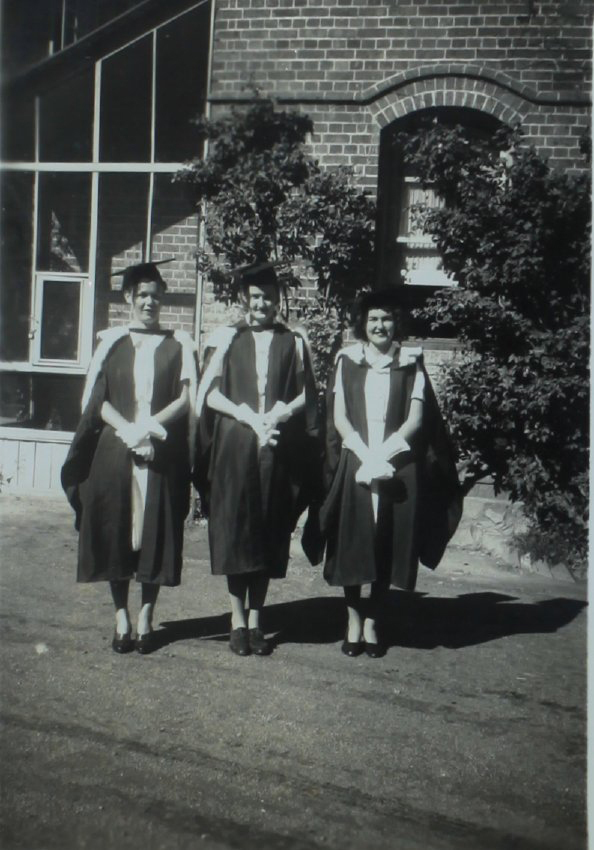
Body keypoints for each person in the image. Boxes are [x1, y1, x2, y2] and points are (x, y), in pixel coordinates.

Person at [61, 260, 197, 654]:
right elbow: (97, 401)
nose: (149, 302)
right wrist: (128, 431)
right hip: (115, 453)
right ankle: (121, 616)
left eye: (156, 296)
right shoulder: (112, 343)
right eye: (142, 295)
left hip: (159, 452)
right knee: (116, 530)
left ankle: (147, 617)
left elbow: (186, 398)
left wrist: (148, 427)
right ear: (128, 298)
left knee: (155, 534)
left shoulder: (177, 344)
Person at [320, 289, 462, 658]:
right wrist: (366, 455)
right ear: (362, 326)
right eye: (372, 320)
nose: (379, 325)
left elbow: (417, 418)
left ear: (395, 322)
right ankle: (352, 621)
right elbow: (339, 417)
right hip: (358, 461)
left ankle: (372, 622)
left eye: (385, 318)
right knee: (352, 545)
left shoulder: (410, 362)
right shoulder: (347, 361)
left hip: (396, 463)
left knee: (387, 543)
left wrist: (385, 454)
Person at [195, 261, 320, 656]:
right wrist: (246, 414)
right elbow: (209, 394)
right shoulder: (228, 339)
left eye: (267, 296)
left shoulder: (293, 341)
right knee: (236, 531)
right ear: (244, 299)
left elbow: (309, 395)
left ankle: (256, 622)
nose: (261, 303)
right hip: (236, 446)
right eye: (254, 297)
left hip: (275, 447)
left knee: (267, 530)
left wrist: (281, 412)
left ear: (277, 299)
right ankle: (235, 620)